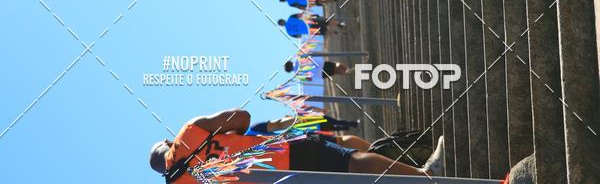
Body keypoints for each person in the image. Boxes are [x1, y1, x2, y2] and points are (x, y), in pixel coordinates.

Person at [148, 109, 446, 177]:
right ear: (167, 143)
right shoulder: (189, 134)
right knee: (349, 160)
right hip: (280, 155)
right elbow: (241, 117)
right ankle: (425, 176)